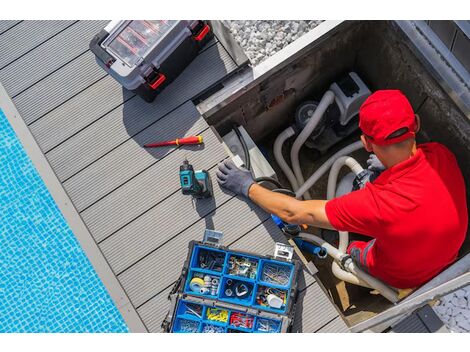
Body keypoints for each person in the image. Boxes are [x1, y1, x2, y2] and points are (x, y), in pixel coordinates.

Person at [216, 90, 467, 289]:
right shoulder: (440, 155)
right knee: (365, 186)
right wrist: (387, 168)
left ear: (366, 143)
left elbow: (294, 213)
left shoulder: (377, 205)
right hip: (447, 256)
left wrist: (247, 186)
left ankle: (339, 245)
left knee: (353, 249)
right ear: (416, 124)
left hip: (404, 275)